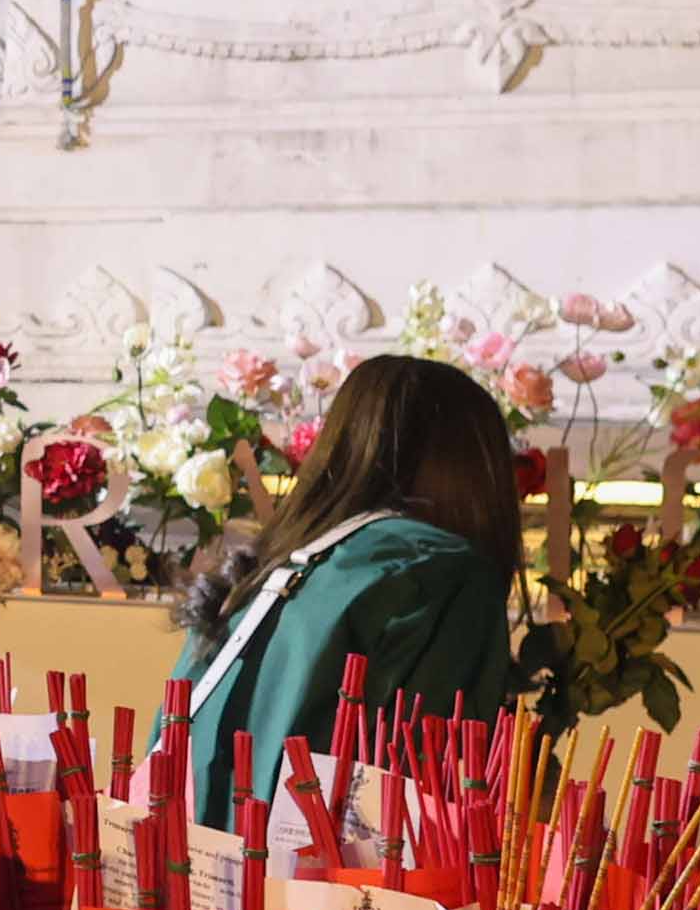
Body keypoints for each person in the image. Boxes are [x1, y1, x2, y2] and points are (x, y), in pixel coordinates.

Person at [176, 350, 527, 818]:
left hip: (190, 877)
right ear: (474, 471)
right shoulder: (441, 571)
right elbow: (427, 795)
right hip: (319, 885)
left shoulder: (257, 574)